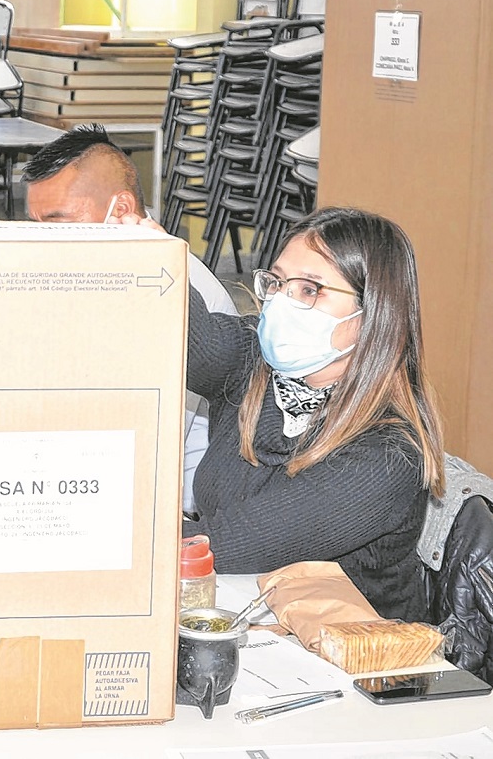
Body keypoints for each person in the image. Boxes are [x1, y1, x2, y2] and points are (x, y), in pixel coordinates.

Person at [153, 207, 444, 621]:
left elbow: (229, 542)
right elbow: (185, 333)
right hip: (247, 618)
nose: (280, 303)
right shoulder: (255, 366)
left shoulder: (387, 456)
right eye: (277, 282)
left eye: (310, 290)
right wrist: (147, 252)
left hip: (349, 660)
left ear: (373, 315)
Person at [21, 125, 238, 515]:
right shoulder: (94, 272)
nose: (43, 240)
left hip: (170, 508)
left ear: (120, 210)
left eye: (57, 222)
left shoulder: (180, 294)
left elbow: (137, 441)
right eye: (36, 225)